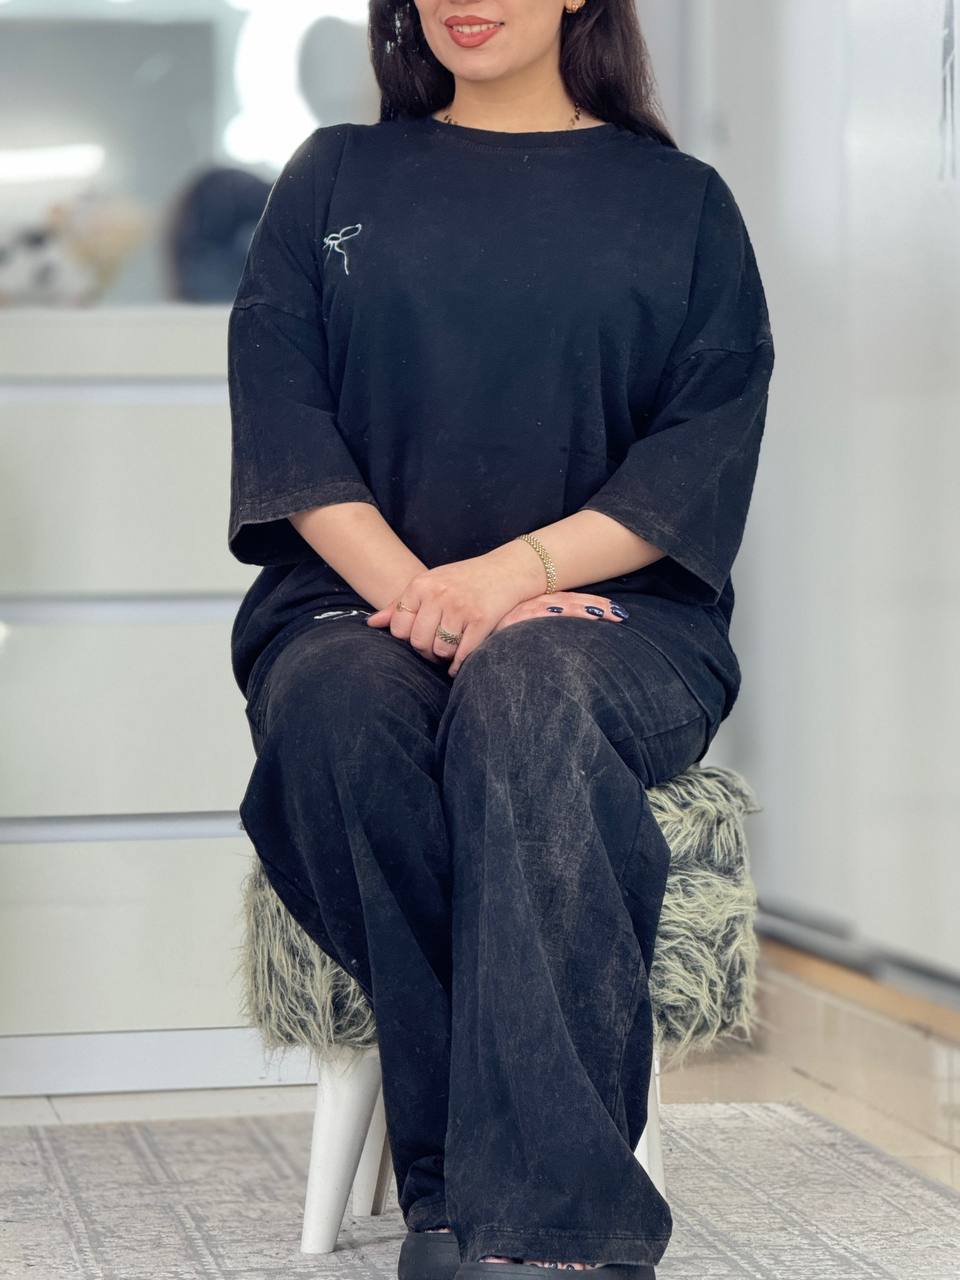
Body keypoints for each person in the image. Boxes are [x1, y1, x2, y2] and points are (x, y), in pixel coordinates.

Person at [226, 2, 775, 1277]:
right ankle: (497, 1205)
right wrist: (431, 596)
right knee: (340, 709)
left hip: (610, 615)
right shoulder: (332, 178)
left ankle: (521, 1227)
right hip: (358, 603)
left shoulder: (683, 204)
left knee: (531, 681)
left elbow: (695, 460)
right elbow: (288, 427)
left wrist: (515, 579)